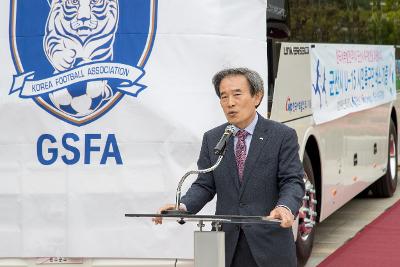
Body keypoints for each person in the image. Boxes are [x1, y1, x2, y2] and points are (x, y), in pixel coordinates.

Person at [154, 68, 305, 267]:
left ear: (257, 97)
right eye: (223, 97)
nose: (230, 103)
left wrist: (284, 207)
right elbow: (205, 184)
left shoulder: (281, 136)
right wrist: (182, 206)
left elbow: (292, 181)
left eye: (237, 94)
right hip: (227, 246)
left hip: (268, 242)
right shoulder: (213, 138)